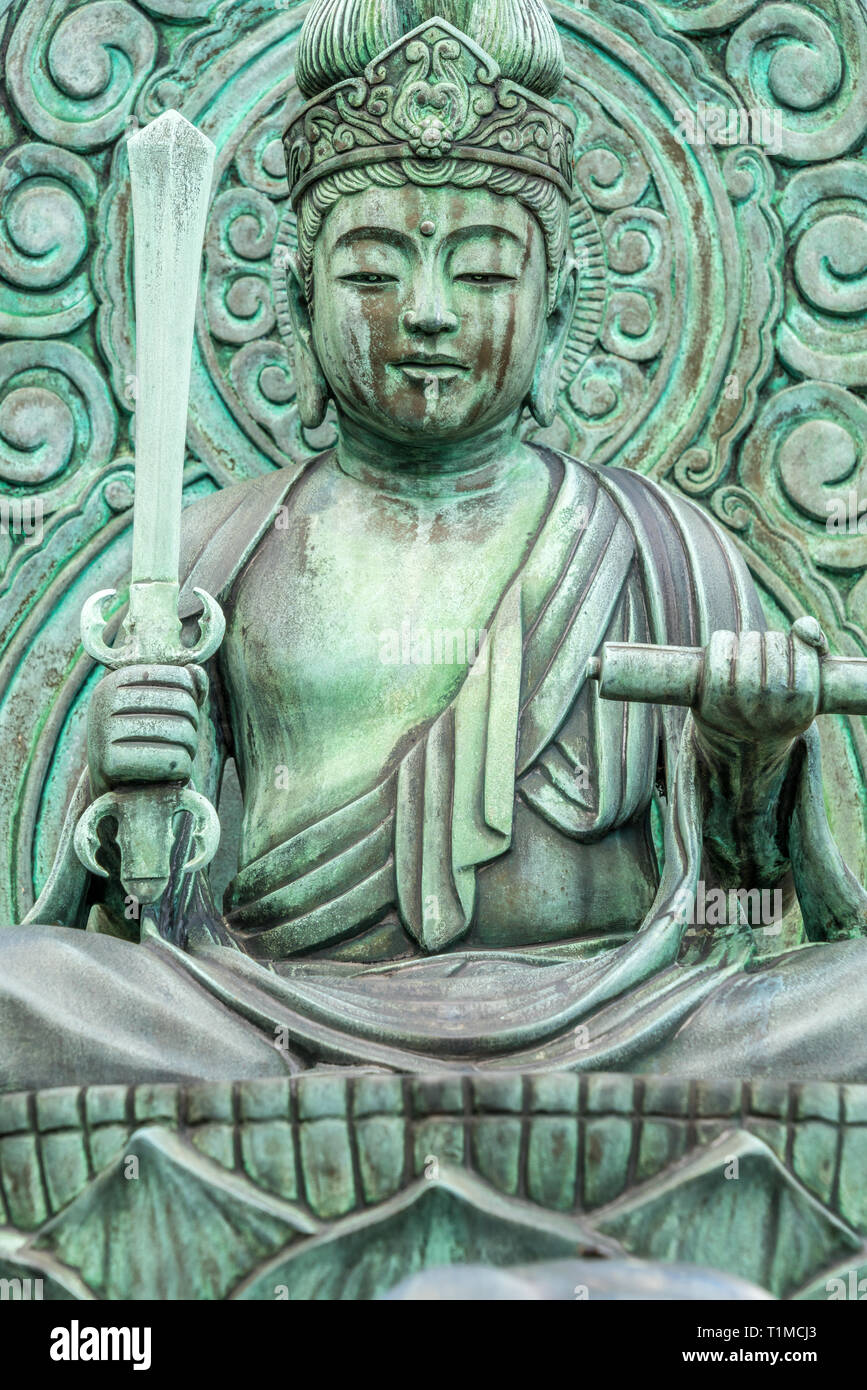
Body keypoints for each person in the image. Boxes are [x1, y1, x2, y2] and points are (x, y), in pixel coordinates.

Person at [3, 0, 867, 1090]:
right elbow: (136, 922)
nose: (425, 311)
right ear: (299, 297)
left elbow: (765, 900)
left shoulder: (663, 546)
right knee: (20, 989)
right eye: (371, 272)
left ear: (555, 311)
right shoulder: (214, 551)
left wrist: (753, 755)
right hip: (269, 1022)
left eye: (485, 272)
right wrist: (134, 792)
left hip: (625, 1019)